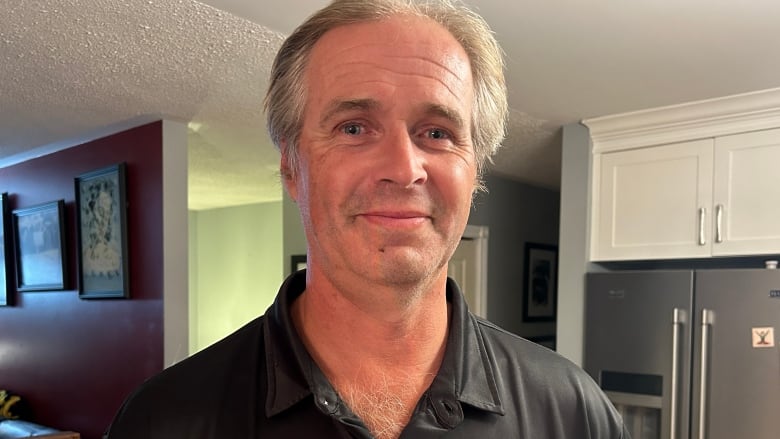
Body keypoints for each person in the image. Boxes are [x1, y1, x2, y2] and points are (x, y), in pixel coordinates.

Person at [105, 0, 629, 438]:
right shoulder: (164, 421)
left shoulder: (572, 413)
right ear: (292, 165)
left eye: (437, 132)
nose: (404, 169)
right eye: (354, 128)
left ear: (475, 170)